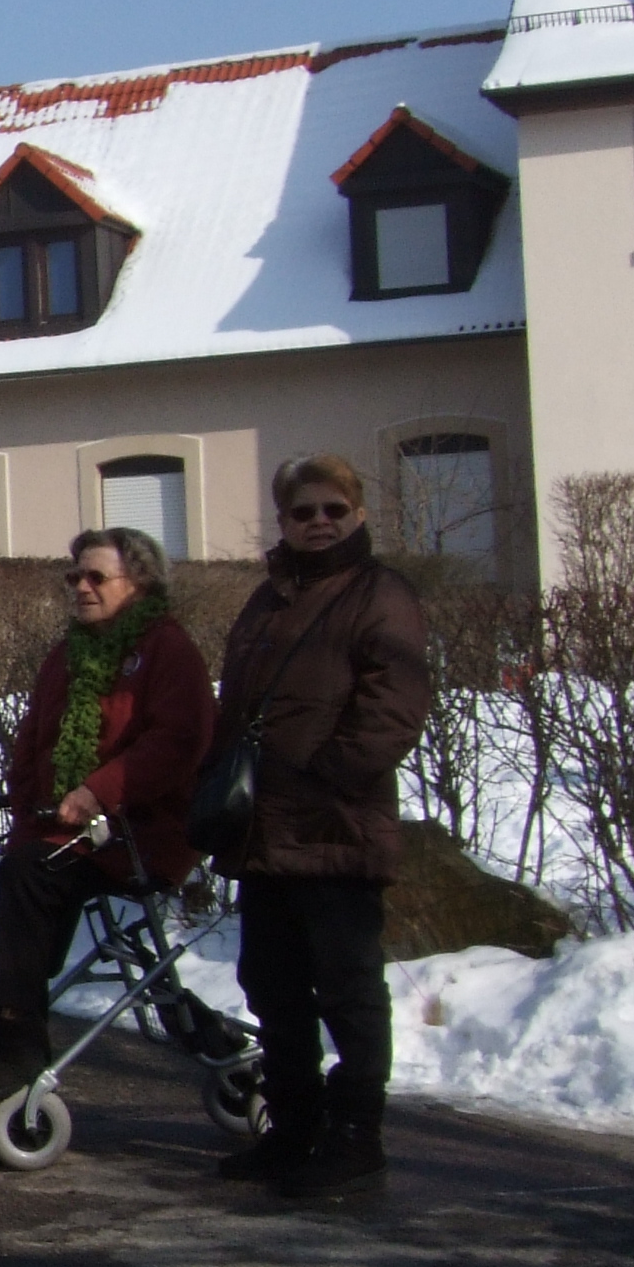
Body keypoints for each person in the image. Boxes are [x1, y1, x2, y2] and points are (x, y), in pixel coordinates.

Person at [211, 455, 432, 1202]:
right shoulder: (268, 599)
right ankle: (294, 1128)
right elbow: (238, 708)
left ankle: (356, 1137)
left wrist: (327, 776)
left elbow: (393, 708)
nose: (319, 523)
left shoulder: (381, 594)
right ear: (284, 521)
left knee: (348, 990)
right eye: (303, 512)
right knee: (272, 987)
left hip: (337, 828)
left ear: (358, 514)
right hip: (266, 833)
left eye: (334, 510)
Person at [0, 528, 223, 1113]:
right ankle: (14, 1030)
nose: (81, 586)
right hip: (71, 831)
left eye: (96, 576)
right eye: (74, 576)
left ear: (139, 583)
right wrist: (28, 812)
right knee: (26, 868)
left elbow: (177, 743)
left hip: (141, 833)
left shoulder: (167, 649)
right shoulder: (68, 653)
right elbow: (33, 742)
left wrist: (98, 792)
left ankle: (18, 1044)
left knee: (31, 875)